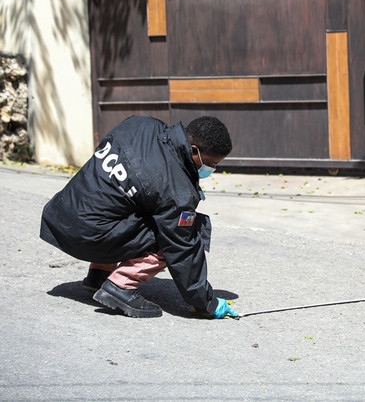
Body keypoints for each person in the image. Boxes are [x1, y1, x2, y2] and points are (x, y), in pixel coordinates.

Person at [40, 115, 239, 319]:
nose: (211, 170)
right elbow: (182, 249)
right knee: (183, 230)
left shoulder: (140, 124)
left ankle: (98, 275)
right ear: (194, 150)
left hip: (61, 216)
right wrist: (207, 302)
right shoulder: (177, 189)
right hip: (89, 238)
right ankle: (120, 286)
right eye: (210, 163)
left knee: (124, 200)